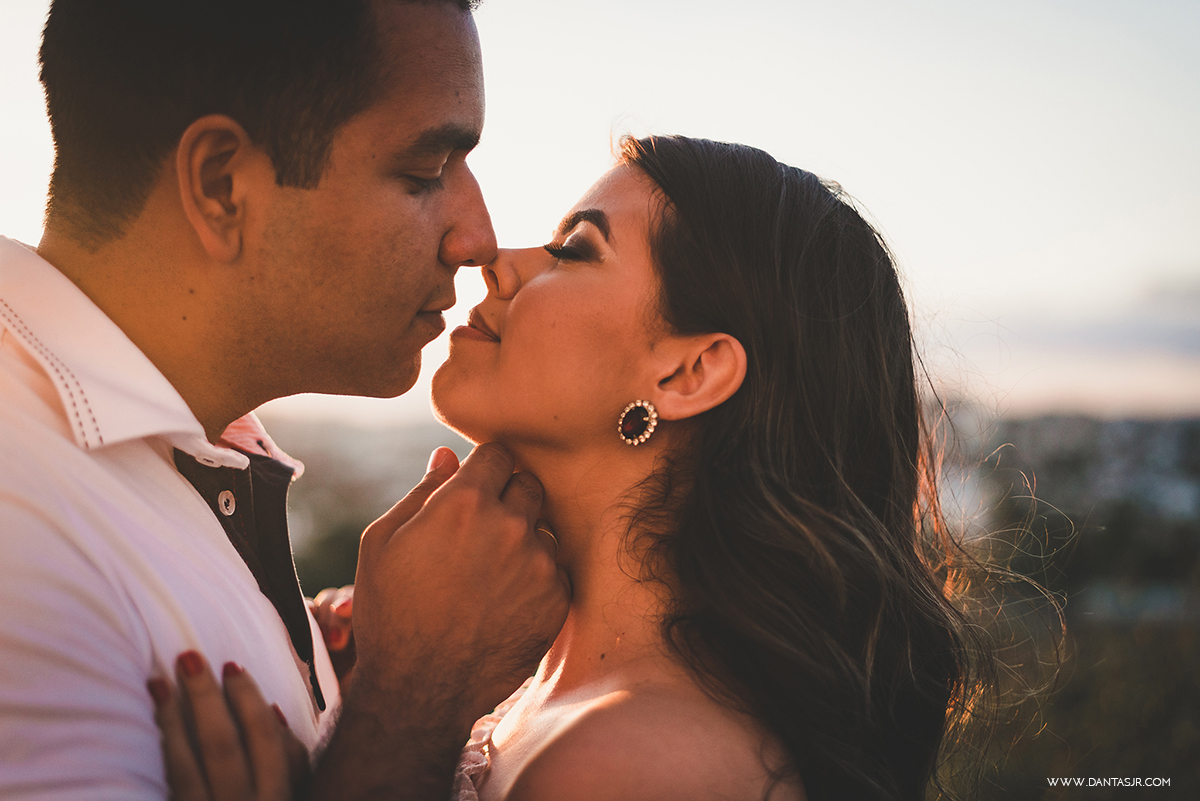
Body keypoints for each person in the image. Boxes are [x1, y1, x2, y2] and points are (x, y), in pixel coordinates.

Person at [160, 135, 997, 800]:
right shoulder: (524, 686)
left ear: (686, 373)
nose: (500, 258)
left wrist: (398, 712)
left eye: (573, 249)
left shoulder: (635, 766)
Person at [0, 0, 568, 799]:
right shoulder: (23, 537)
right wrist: (411, 702)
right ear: (222, 184)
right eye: (423, 174)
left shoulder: (189, 444)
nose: (477, 237)